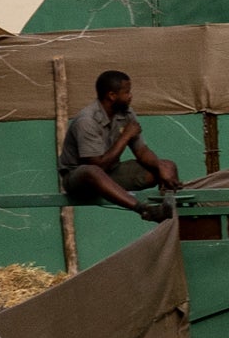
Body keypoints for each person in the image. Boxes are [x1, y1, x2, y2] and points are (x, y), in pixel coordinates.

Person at [60, 69, 180, 223]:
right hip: (80, 180)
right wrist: (125, 136)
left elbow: (141, 150)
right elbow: (98, 166)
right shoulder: (87, 121)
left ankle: (167, 217)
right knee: (92, 171)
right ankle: (144, 209)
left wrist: (159, 166)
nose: (131, 96)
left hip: (110, 172)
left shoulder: (126, 113)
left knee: (167, 166)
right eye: (127, 92)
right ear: (112, 95)